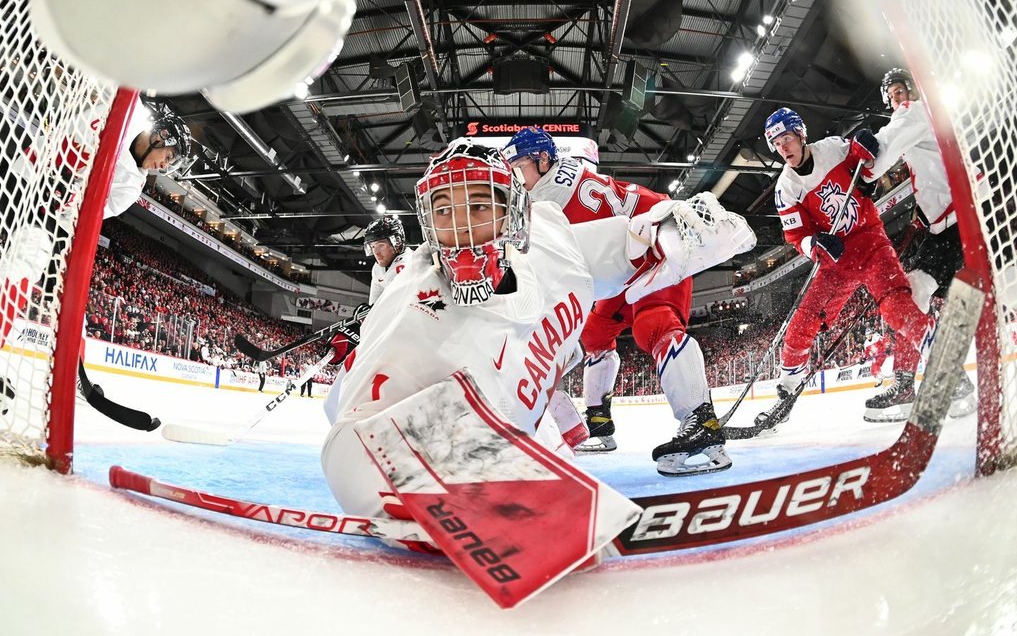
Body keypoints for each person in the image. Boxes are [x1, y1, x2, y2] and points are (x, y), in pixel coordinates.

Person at [321, 139, 755, 521]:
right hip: (500, 438)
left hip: (521, 432)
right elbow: (347, 426)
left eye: (477, 205)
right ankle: (592, 427)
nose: (462, 228)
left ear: (512, 211)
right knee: (594, 345)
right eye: (444, 210)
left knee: (650, 329)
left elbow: (633, 243)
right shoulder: (412, 301)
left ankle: (696, 421)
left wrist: (679, 231)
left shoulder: (549, 237)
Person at [503, 126, 726, 476]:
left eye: (518, 168)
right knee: (594, 335)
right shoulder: (557, 184)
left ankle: (702, 423)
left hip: (658, 244)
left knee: (653, 325)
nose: (515, 178)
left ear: (543, 160)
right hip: (628, 255)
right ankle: (600, 425)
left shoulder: (547, 204)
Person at [0, 98, 191, 414]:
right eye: (168, 157)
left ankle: (73, 374)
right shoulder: (122, 116)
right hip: (27, 186)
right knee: (25, 262)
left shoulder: (133, 183)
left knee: (72, 298)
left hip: (60, 217)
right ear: (160, 135)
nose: (165, 166)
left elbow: (95, 214)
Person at [762, 107, 936, 425]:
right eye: (776, 143)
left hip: (870, 244)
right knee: (802, 323)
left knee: (897, 305)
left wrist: (863, 143)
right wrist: (813, 245)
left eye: (786, 138)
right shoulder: (785, 188)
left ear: (801, 135)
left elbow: (863, 160)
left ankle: (938, 355)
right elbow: (795, 234)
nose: (783, 147)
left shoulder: (831, 148)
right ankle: (786, 391)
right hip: (836, 263)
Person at [860, 68, 977, 418]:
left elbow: (882, 147)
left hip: (961, 221)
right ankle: (910, 382)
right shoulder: (925, 116)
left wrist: (864, 170)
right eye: (892, 96)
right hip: (948, 223)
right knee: (916, 293)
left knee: (919, 293)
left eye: (900, 91)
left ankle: (928, 382)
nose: (897, 100)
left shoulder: (915, 111)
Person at [364, 215, 411, 304]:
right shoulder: (377, 268)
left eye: (380, 245)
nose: (376, 252)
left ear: (397, 243)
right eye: (372, 246)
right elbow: (374, 304)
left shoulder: (407, 263)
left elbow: (392, 305)